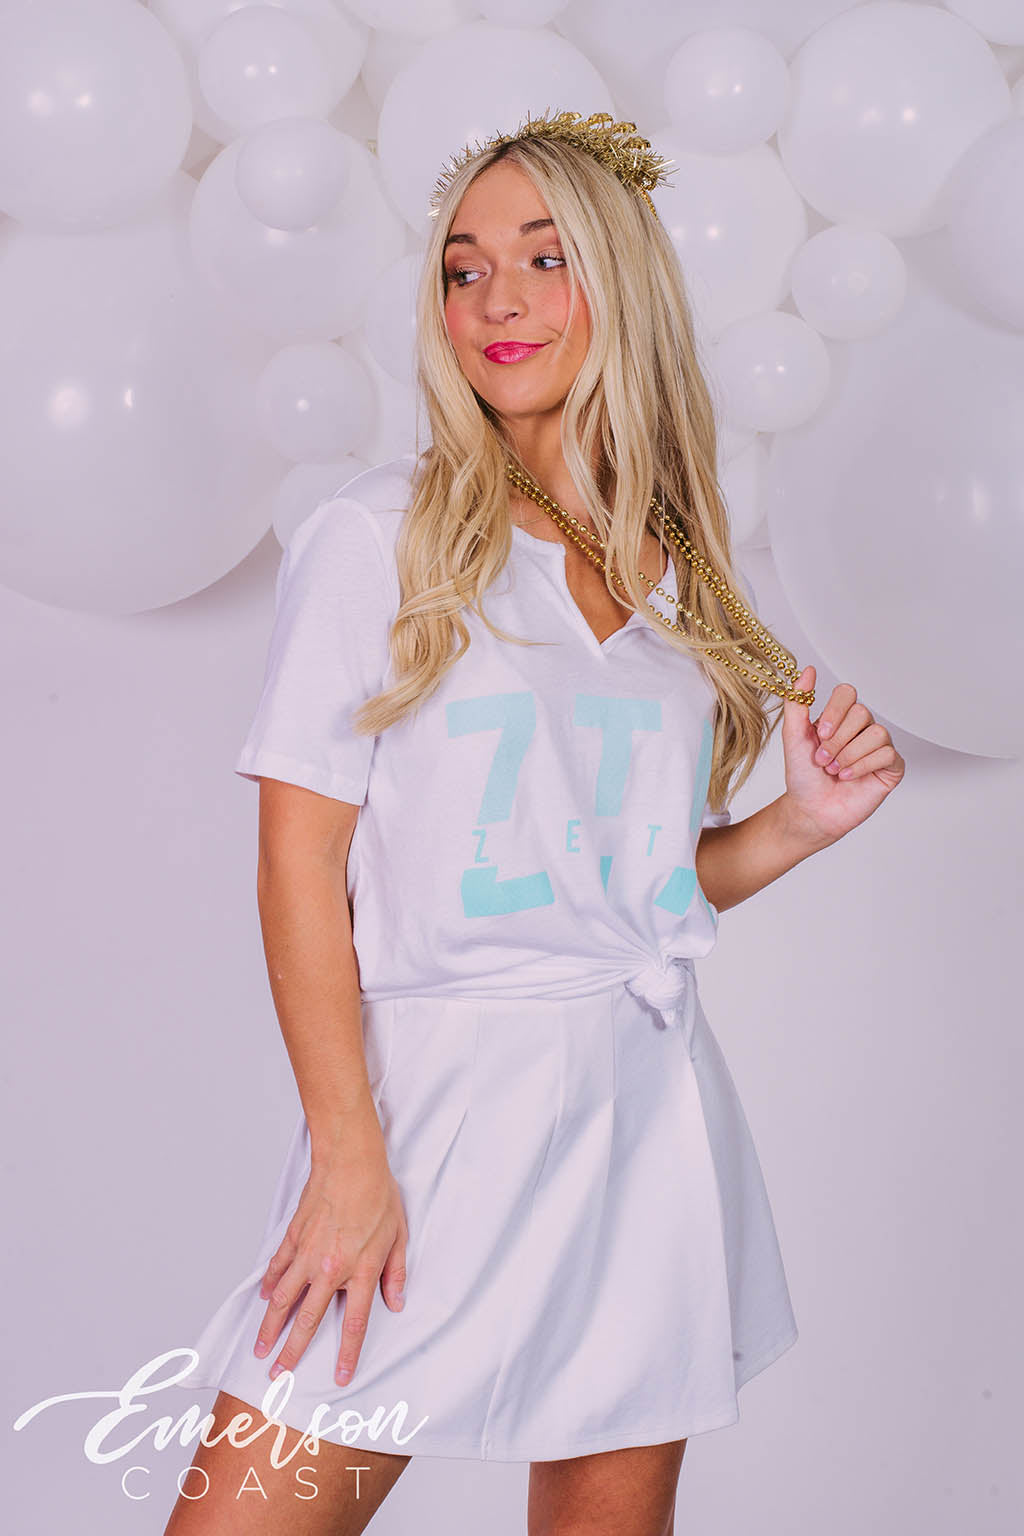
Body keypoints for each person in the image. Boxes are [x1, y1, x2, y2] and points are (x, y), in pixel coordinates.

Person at [165, 110, 905, 1536]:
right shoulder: (380, 536)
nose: (496, 300)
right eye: (462, 269)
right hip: (431, 1115)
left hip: (645, 1116)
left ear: (620, 283)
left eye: (544, 258)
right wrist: (347, 1152)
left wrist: (797, 826)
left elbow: (632, 891)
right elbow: (300, 861)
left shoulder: (684, 577)